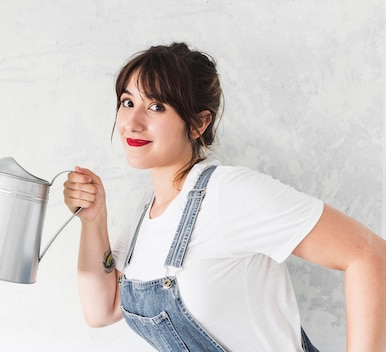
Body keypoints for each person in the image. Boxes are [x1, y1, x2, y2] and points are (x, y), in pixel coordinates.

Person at [63, 42, 386, 351]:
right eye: (127, 102)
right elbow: (101, 310)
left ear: (198, 123)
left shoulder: (228, 193)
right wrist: (94, 219)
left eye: (157, 107)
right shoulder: (145, 214)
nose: (132, 123)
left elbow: (369, 255)